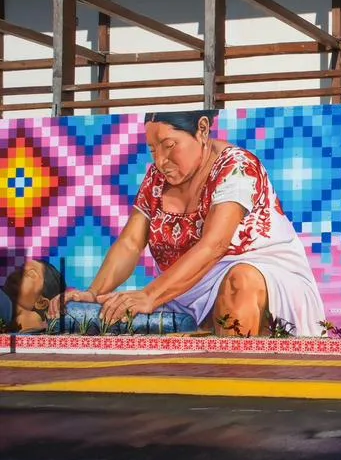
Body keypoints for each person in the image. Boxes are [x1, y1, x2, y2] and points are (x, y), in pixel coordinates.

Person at [57, 110, 325, 337]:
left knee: (239, 281)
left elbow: (214, 246)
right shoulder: (156, 178)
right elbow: (130, 243)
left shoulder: (238, 167)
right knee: (109, 310)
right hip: (183, 287)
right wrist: (93, 292)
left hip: (264, 282)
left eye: (169, 145)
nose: (160, 160)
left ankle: (238, 386)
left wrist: (150, 296)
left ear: (203, 129)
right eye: (153, 150)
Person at [1, 259, 65, 332]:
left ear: (41, 303)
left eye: (30, 274)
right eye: (20, 269)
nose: (16, 273)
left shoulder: (28, 324)